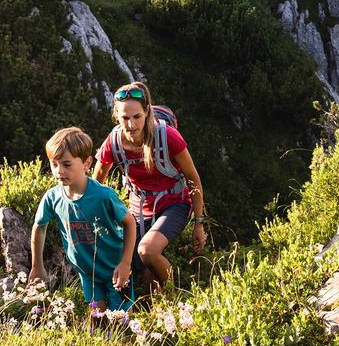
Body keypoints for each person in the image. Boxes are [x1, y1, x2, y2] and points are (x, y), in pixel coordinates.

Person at [93, 82, 206, 294]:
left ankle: (179, 297)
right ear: (117, 116)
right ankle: (159, 307)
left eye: (137, 117)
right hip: (139, 209)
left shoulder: (168, 137)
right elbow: (97, 184)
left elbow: (193, 179)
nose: (131, 125)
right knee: (143, 273)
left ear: (147, 111)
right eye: (125, 118)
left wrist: (198, 223)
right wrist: (100, 218)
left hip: (175, 203)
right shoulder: (114, 142)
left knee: (147, 250)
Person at [29, 127, 137, 311]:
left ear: (87, 163)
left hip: (115, 269)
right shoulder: (52, 198)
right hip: (87, 273)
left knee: (122, 321)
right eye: (54, 164)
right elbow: (39, 226)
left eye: (66, 164)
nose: (59, 171)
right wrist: (37, 266)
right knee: (97, 319)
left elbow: (129, 223)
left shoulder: (103, 195)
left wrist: (125, 263)